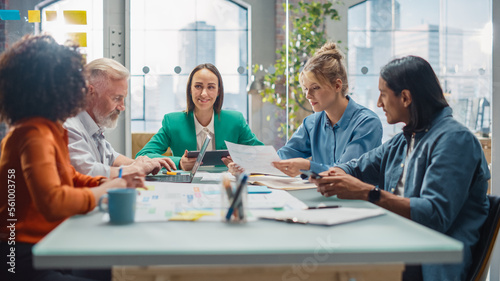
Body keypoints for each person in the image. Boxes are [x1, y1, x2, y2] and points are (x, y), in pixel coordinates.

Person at [311, 56, 490, 281]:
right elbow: (357, 167)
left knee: (328, 266)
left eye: (383, 94)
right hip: (399, 245)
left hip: (428, 262)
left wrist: (367, 193)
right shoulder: (405, 138)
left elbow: (434, 215)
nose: (378, 103)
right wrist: (332, 175)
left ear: (405, 97)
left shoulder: (455, 141)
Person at [0, 35, 144, 281]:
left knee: (105, 266)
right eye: (74, 82)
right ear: (54, 87)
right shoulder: (33, 133)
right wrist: (112, 186)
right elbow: (54, 201)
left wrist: (109, 183)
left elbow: (70, 177)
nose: (81, 89)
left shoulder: (48, 127)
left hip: (49, 241)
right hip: (21, 256)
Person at [272, 42, 382, 177]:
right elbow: (283, 156)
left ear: (337, 85)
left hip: (356, 198)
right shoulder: (311, 123)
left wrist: (308, 166)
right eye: (306, 88)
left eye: (315, 87)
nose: (307, 95)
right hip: (320, 196)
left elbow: (346, 172)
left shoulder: (367, 123)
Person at [136, 63, 263, 170]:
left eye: (211, 87)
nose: (204, 93)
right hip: (186, 188)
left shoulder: (235, 120)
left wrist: (241, 161)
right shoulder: (173, 122)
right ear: (190, 90)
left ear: (218, 91)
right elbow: (143, 156)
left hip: (225, 186)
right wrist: (179, 162)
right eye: (198, 86)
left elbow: (261, 155)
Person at [64, 58, 176, 178]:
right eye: (116, 98)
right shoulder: (69, 127)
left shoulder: (94, 127)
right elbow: (87, 171)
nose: (122, 107)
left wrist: (147, 163)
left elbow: (112, 157)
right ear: (90, 92)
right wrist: (135, 168)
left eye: (123, 98)